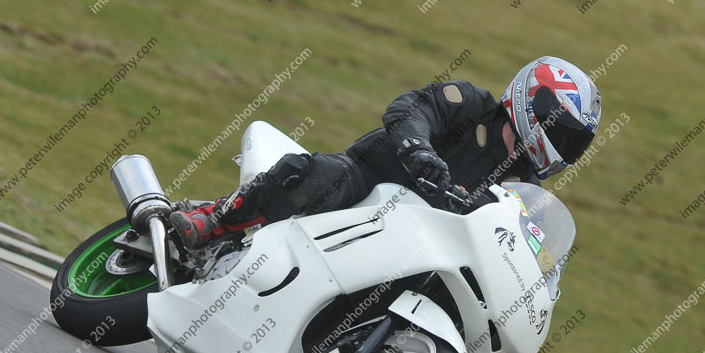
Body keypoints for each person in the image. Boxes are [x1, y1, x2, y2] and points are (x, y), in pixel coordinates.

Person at [169, 56, 602, 248]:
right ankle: (213, 220)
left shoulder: (524, 189)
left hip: (421, 241)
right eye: (562, 134)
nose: (563, 149)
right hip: (370, 180)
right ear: (534, 105)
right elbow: (412, 107)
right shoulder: (472, 104)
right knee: (320, 176)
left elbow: (524, 245)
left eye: (573, 144)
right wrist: (419, 150)